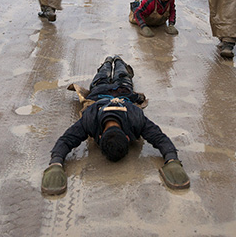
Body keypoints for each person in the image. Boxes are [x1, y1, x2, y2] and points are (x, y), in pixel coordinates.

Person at [41, 55, 190, 195]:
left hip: (117, 90)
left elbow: (160, 139)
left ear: (100, 136)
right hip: (109, 91)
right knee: (112, 73)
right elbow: (159, 138)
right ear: (126, 136)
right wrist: (55, 163)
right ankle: (111, 61)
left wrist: (56, 164)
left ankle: (113, 61)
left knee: (116, 73)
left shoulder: (132, 117)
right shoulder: (93, 118)